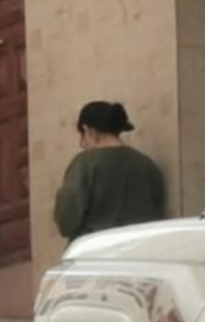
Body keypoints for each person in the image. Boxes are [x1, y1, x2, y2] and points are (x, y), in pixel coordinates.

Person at [53, 101, 166, 243]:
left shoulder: (84, 164)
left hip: (94, 250)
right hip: (140, 249)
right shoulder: (147, 165)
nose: (82, 144)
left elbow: (66, 219)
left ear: (89, 131)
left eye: (82, 135)